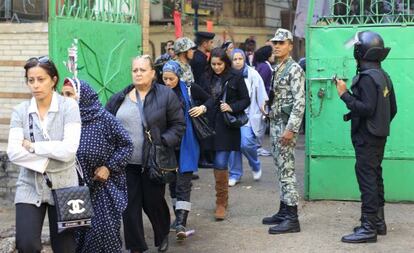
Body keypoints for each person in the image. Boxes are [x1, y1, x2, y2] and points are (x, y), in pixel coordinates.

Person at [106, 55, 186, 253]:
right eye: (135, 70)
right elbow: (106, 124)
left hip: (153, 162)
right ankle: (136, 247)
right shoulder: (120, 97)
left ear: (152, 73)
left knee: (153, 203)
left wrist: (163, 141)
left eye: (142, 70)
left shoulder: (166, 95)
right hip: (125, 164)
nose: (138, 73)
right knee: (129, 207)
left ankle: (162, 234)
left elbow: (178, 125)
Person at [7, 56, 81, 252]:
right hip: (29, 185)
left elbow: (69, 150)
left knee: (65, 247)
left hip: (65, 186)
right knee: (26, 244)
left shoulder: (69, 107)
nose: (35, 85)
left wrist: (33, 147)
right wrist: (48, 157)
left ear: (53, 80)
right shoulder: (20, 111)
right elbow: (13, 152)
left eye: (41, 79)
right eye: (31, 80)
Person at [335, 31, 397, 243]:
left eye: (356, 47)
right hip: (379, 136)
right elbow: (393, 109)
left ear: (361, 51)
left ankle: (368, 228)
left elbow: (366, 108)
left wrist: (344, 95)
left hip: (367, 138)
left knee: (367, 181)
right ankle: (378, 222)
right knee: (375, 176)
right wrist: (378, 124)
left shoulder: (367, 78)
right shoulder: (383, 75)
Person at [61, 78, 133, 253]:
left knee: (103, 235)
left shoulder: (104, 119)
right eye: (62, 95)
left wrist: (108, 167)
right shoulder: (63, 122)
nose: (65, 99)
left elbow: (127, 145)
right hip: (73, 190)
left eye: (69, 94)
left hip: (102, 188)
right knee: (75, 238)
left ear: (82, 96)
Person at [162, 60, 213, 241]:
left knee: (183, 183)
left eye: (171, 79)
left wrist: (202, 107)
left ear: (178, 77)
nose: (168, 83)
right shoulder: (159, 92)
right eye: (165, 78)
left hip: (187, 143)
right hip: (167, 145)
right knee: (173, 184)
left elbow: (211, 98)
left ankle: (181, 222)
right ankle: (177, 218)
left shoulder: (189, 88)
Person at [262, 28, 305, 234]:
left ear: (290, 45)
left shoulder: (294, 69)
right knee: (280, 169)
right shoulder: (279, 67)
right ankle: (283, 210)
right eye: (275, 43)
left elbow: (299, 102)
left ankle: (292, 218)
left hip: (286, 126)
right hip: (276, 123)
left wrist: (291, 129)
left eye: (281, 43)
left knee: (287, 171)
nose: (277, 46)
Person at [203, 48, 250, 220]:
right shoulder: (205, 77)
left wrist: (232, 107)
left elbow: (246, 99)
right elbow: (201, 97)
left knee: (221, 161)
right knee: (215, 162)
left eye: (219, 64)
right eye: (213, 64)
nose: (216, 67)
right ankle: (222, 199)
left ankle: (221, 202)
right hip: (208, 125)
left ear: (226, 63)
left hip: (226, 126)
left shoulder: (236, 77)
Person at [228, 49, 268, 186]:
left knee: (246, 143)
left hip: (248, 115)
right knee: (233, 146)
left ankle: (255, 164)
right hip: (231, 115)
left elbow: (261, 94)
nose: (238, 61)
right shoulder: (227, 74)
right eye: (235, 59)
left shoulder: (253, 74)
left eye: (240, 58)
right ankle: (235, 174)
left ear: (244, 59)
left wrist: (264, 112)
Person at [190, 31, 216, 168]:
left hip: (201, 96)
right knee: (203, 127)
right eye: (211, 42)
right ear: (205, 43)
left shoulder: (199, 56)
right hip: (200, 98)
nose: (212, 45)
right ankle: (202, 159)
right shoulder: (199, 59)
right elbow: (199, 80)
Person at [254, 45, 275, 157]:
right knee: (260, 123)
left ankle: (257, 146)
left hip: (263, 99)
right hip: (263, 99)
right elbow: (260, 84)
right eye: (272, 53)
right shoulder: (265, 67)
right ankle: (257, 147)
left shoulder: (263, 65)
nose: (273, 55)